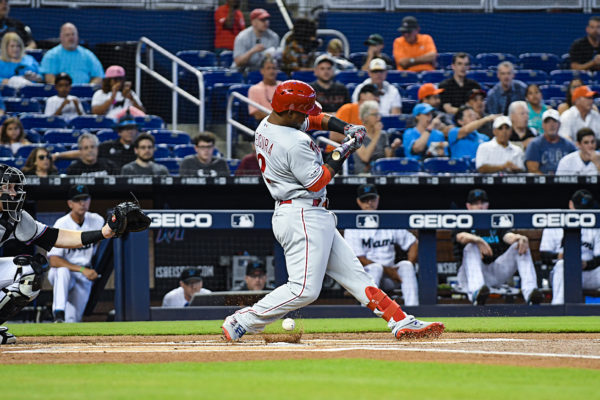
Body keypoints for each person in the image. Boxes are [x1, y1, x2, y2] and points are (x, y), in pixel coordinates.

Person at [221, 80, 444, 341]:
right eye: (302, 111)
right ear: (290, 112)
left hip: (306, 212)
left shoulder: (270, 123)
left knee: (357, 277)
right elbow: (318, 181)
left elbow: (315, 120)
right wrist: (345, 148)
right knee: (304, 289)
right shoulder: (292, 141)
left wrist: (346, 128)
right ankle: (243, 320)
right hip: (302, 215)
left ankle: (400, 320)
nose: (307, 115)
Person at [0, 164, 125, 343]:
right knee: (57, 271)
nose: (14, 193)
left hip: (80, 275)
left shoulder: (14, 217)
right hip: (70, 272)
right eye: (7, 188)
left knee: (29, 271)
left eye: (15, 187)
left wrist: (103, 233)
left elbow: (55, 237)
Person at [453, 189, 542, 306]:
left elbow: (507, 236)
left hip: (493, 272)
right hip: (468, 276)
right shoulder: (463, 220)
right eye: (476, 203)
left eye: (482, 203)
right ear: (468, 206)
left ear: (487, 205)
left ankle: (531, 293)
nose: (480, 206)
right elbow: (460, 237)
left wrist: (519, 237)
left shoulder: (494, 219)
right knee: (471, 246)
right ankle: (476, 293)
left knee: (520, 244)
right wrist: (478, 240)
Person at [344, 184, 419, 305]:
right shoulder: (352, 226)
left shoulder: (388, 220)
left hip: (391, 277)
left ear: (378, 199)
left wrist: (410, 262)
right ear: (359, 202)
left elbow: (413, 242)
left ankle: (414, 310)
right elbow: (359, 258)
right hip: (366, 276)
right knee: (376, 268)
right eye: (365, 200)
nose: (369, 203)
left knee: (406, 266)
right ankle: (366, 311)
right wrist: (387, 270)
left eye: (372, 199)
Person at [47, 185, 104, 323]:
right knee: (63, 271)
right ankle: (58, 312)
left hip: (84, 274)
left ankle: (62, 321)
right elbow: (54, 260)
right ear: (70, 203)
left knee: (72, 320)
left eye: (85, 199)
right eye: (78, 200)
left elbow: (101, 243)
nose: (82, 203)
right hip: (63, 272)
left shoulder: (97, 220)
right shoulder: (61, 223)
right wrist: (83, 270)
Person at [540, 189, 600, 305]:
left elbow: (599, 257)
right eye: (578, 209)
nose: (581, 214)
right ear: (570, 204)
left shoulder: (595, 226)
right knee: (563, 265)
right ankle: (558, 308)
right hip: (561, 272)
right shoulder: (554, 221)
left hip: (589, 273)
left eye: (585, 210)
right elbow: (544, 256)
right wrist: (559, 256)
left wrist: (586, 264)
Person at [353, 100, 400, 174]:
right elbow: (365, 158)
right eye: (375, 115)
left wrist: (393, 148)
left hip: (382, 173)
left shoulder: (383, 135)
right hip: (364, 174)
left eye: (379, 115)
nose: (378, 118)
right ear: (365, 117)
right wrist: (377, 135)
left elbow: (388, 159)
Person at [525, 109, 577, 175]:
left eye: (554, 121)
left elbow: (576, 166)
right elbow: (533, 170)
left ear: (559, 124)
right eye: (547, 122)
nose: (551, 125)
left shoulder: (569, 145)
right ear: (543, 125)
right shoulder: (534, 145)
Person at [248, 55, 281, 122]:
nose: (272, 71)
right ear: (262, 71)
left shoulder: (284, 87)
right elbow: (257, 115)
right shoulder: (254, 89)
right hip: (264, 125)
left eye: (274, 68)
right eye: (268, 68)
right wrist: (279, 118)